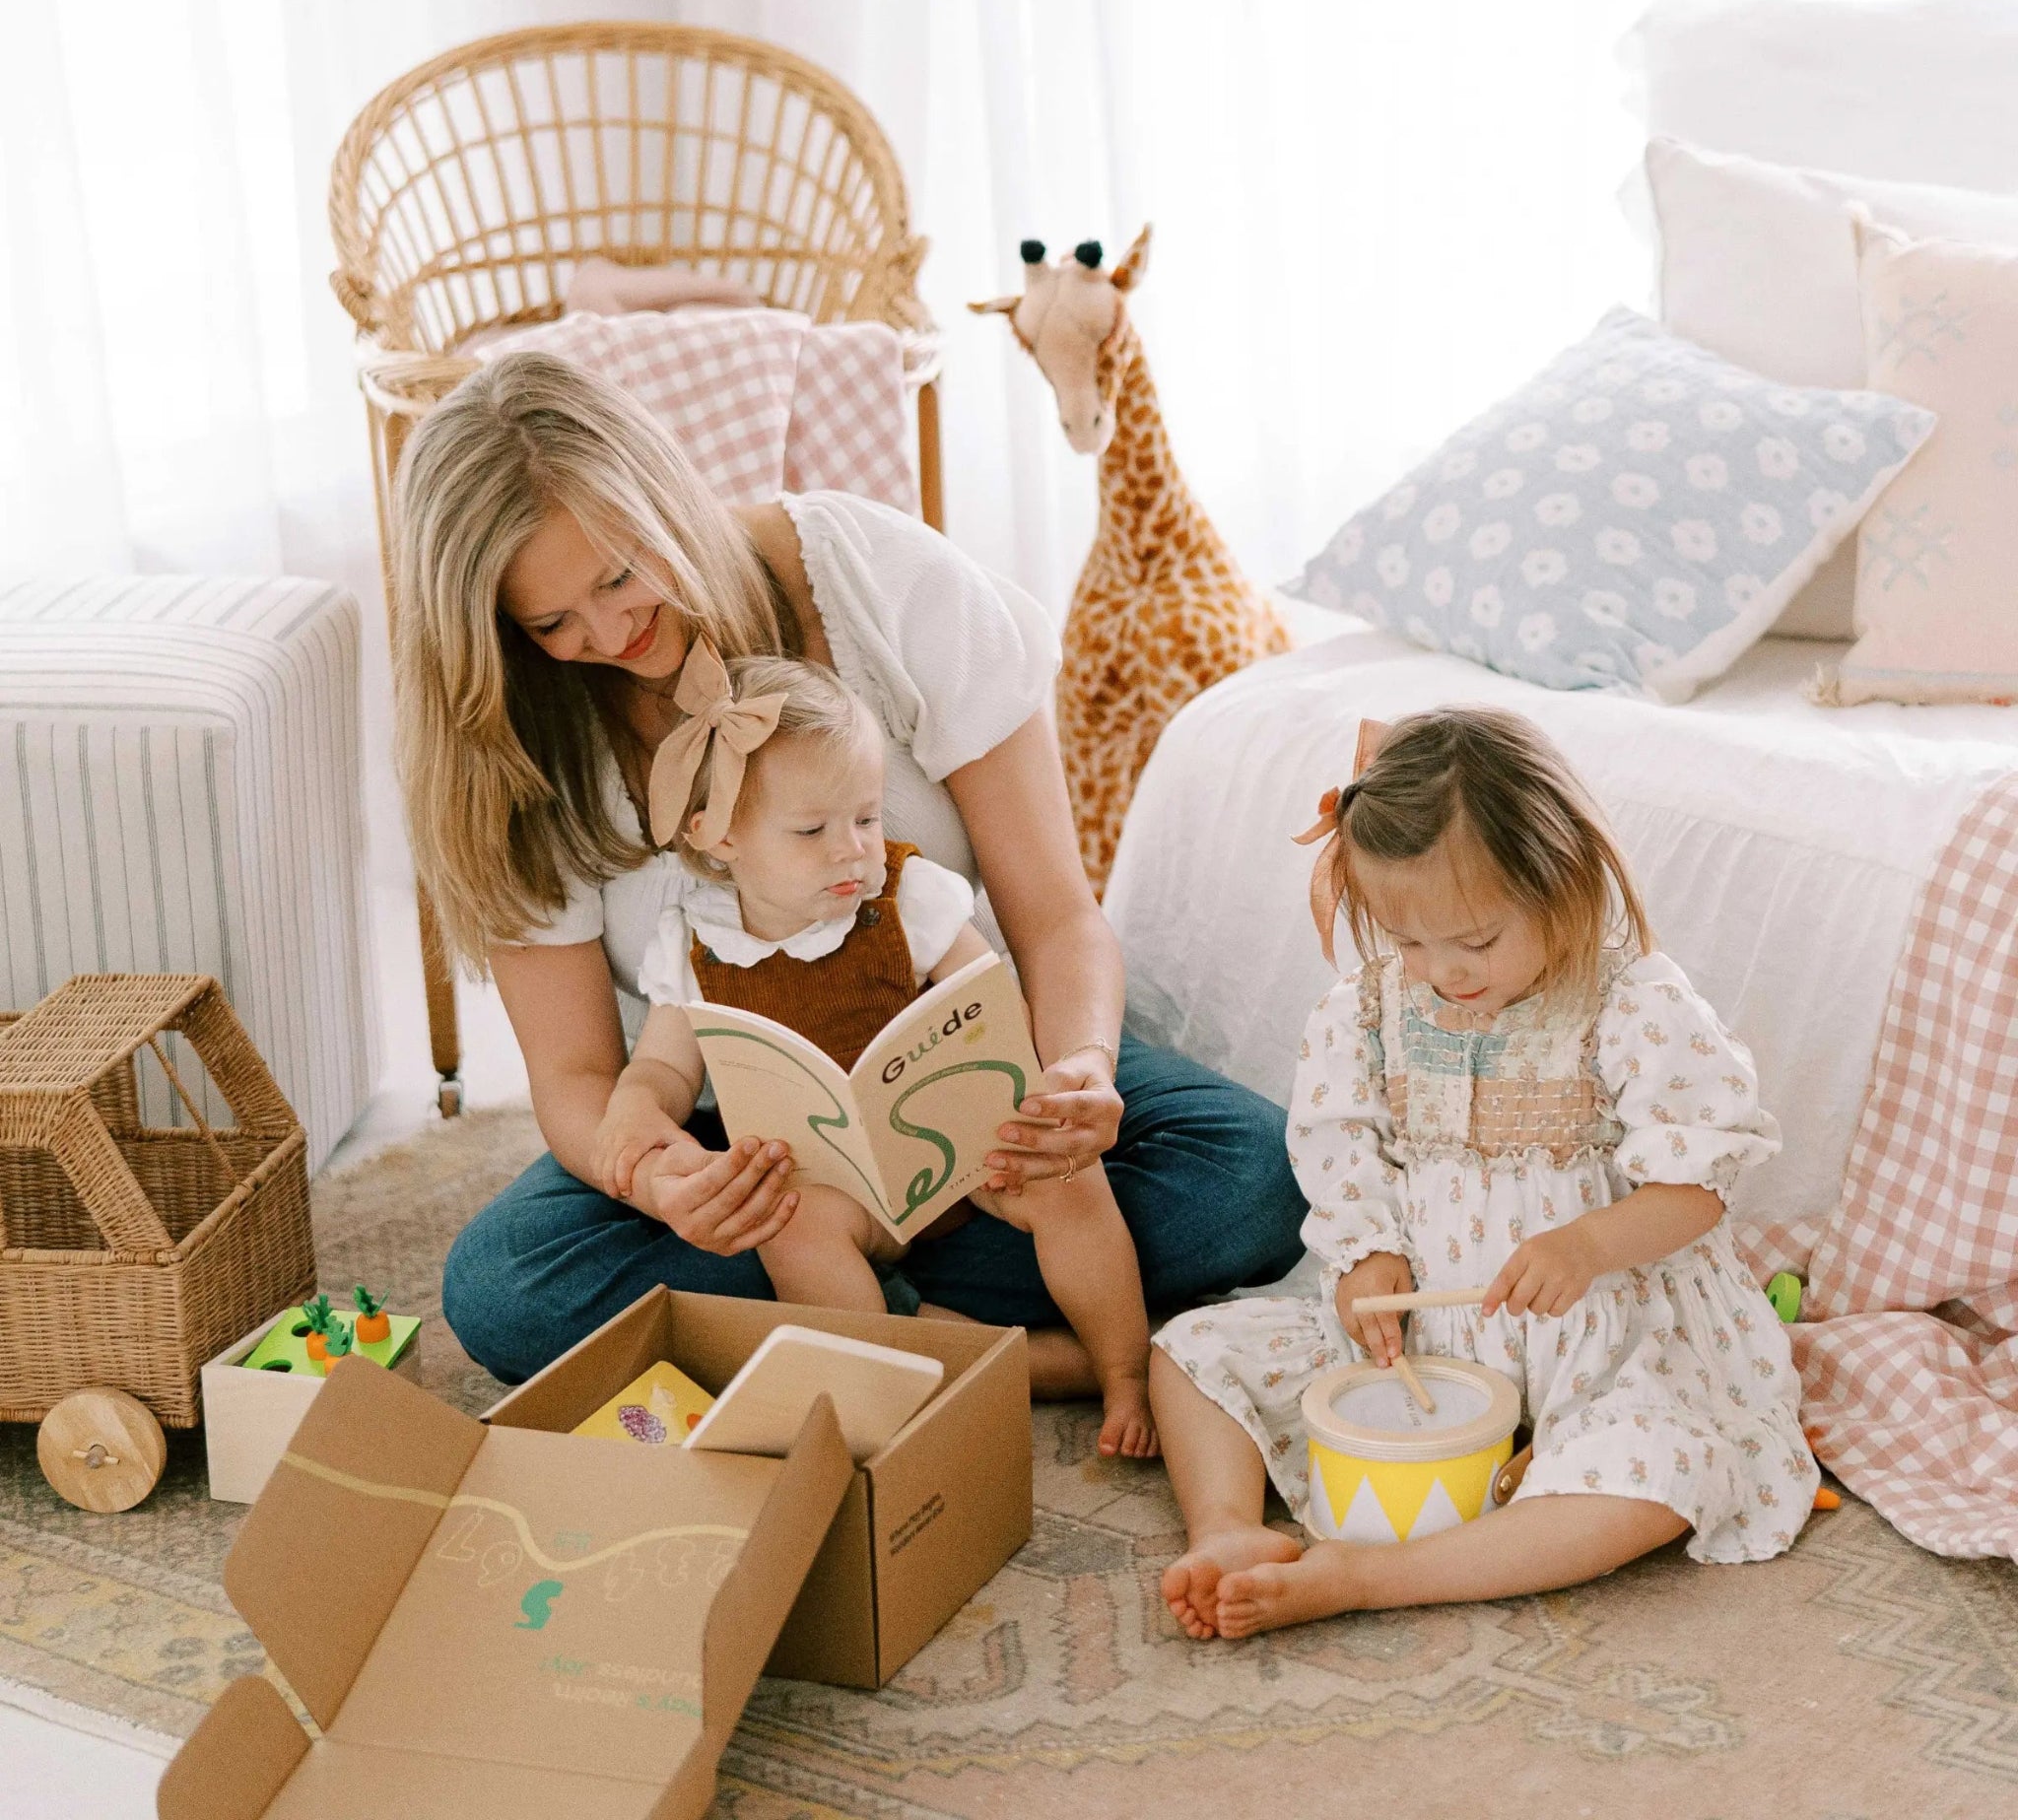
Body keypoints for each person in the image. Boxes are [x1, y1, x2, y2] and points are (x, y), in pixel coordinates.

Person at [389, 351, 1303, 1391]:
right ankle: (1029, 1342)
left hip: (973, 1058)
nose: (608, 631)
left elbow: (1053, 919)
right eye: (550, 623)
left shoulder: (866, 574)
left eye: (618, 573)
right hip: (738, 1123)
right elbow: (577, 1081)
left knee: (1250, 1179)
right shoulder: (510, 744)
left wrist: (1078, 1070)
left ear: (665, 496)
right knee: (507, 1288)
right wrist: (657, 1176)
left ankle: (862, 1336)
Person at [1152, 708, 1815, 1641]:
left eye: (1476, 941)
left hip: (1602, 1342)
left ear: (1565, 883)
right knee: (1190, 1352)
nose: (1443, 973)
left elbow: (1700, 1183)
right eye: (1411, 942)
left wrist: (1589, 1243)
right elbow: (1341, 1147)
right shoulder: (1373, 1009)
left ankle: (1374, 1577)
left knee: (1667, 1474)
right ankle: (1226, 1530)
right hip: (1424, 1333)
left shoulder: (1632, 1003)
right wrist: (1365, 1254)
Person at [599, 642, 1157, 1455]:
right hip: (836, 1185)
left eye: (865, 817)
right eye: (811, 829)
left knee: (1071, 1176)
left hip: (963, 1149)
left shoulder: (909, 896)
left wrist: (1047, 1080)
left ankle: (1124, 1374)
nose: (851, 849)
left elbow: (989, 1006)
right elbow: (662, 1068)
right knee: (789, 1232)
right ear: (715, 836)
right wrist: (635, 1113)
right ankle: (889, 1391)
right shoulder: (697, 944)